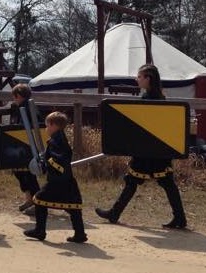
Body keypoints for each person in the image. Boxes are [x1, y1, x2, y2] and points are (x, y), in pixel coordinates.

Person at [95, 64, 187, 229]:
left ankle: (115, 213)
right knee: (154, 182)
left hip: (150, 151)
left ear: (148, 78)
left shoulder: (150, 99)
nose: (137, 79)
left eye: (140, 76)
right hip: (155, 150)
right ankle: (179, 218)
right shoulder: (158, 97)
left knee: (142, 182)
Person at [24, 111, 88, 243]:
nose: (46, 128)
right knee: (72, 206)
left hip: (57, 181)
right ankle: (80, 233)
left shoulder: (56, 141)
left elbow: (59, 159)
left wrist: (46, 162)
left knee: (39, 199)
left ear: (54, 125)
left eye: (47, 125)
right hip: (67, 179)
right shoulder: (59, 138)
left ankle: (39, 231)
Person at [10, 84, 40, 213]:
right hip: (24, 145)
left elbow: (23, 128)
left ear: (19, 96)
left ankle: (37, 202)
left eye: (15, 97)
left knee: (28, 174)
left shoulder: (27, 108)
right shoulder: (24, 107)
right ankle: (29, 199)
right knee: (20, 172)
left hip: (27, 146)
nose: (14, 99)